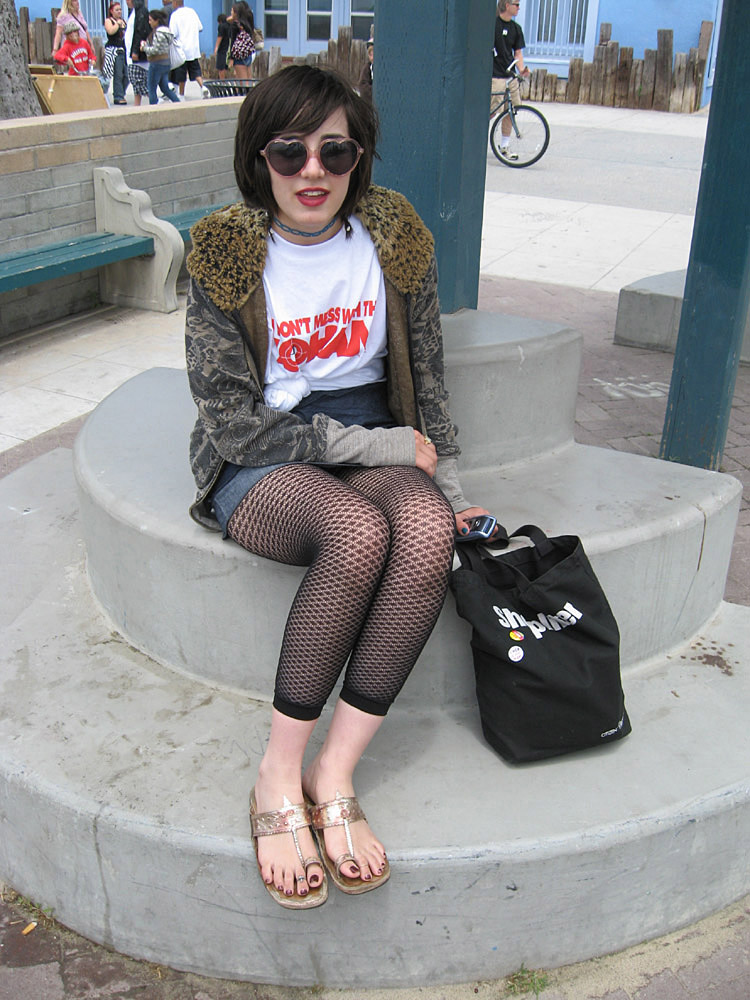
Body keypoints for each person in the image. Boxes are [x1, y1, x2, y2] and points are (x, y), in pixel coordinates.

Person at [184, 65, 495, 909]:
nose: (313, 171)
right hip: (260, 450)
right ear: (259, 157)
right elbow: (234, 422)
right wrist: (381, 444)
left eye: (336, 150)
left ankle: (335, 770)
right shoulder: (224, 254)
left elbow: (426, 375)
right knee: (357, 532)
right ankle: (276, 773)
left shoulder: (394, 237)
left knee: (423, 530)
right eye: (290, 151)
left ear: (360, 156)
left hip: (370, 427)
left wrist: (448, 483)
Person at [492, 0, 531, 160]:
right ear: (507, 5)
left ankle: (505, 146)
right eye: (516, 4)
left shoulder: (516, 29)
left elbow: (518, 53)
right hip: (495, 75)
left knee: (511, 110)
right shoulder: (493, 25)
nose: (519, 8)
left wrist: (521, 70)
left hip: (510, 75)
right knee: (491, 111)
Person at [140, 9, 180, 104]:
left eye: (150, 20)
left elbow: (155, 50)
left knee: (152, 88)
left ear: (157, 20)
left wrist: (144, 48)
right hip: (166, 63)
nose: (149, 22)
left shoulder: (159, 33)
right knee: (165, 88)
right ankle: (178, 103)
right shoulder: (167, 31)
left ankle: (153, 107)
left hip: (156, 63)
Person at [168, 0, 203, 96]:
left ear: (175, 2)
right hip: (193, 49)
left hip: (181, 50)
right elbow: (200, 27)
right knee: (196, 72)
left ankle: (181, 95)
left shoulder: (175, 15)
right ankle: (203, 87)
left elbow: (173, 33)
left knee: (181, 76)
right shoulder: (192, 12)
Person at [125, 0, 150, 106]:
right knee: (137, 85)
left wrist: (135, 51)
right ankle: (137, 105)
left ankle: (154, 100)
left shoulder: (141, 12)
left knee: (137, 80)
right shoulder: (134, 12)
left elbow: (140, 33)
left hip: (136, 54)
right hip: (130, 52)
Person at [103, 2, 129, 105]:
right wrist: (117, 24)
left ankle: (120, 92)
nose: (119, 11)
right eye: (116, 10)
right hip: (114, 50)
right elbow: (110, 31)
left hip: (124, 50)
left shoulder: (123, 21)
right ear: (111, 11)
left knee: (127, 74)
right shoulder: (109, 21)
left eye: (120, 9)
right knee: (118, 74)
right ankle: (118, 96)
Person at [227, 1, 255, 81]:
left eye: (232, 10)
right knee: (249, 79)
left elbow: (233, 42)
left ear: (236, 13)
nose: (231, 12)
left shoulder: (235, 25)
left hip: (238, 56)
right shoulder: (247, 24)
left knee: (242, 82)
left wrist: (231, 58)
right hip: (247, 54)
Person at [213, 12, 230, 80]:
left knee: (221, 68)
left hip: (222, 49)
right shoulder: (229, 26)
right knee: (225, 67)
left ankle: (222, 81)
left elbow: (219, 37)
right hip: (228, 48)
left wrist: (216, 47)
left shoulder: (221, 26)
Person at [358, 38, 373, 102]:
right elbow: (363, 87)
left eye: (374, 54)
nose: (372, 58)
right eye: (370, 55)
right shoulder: (367, 68)